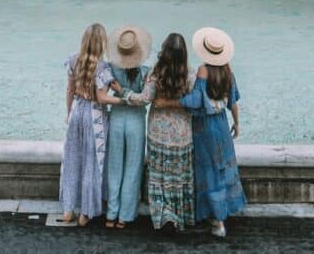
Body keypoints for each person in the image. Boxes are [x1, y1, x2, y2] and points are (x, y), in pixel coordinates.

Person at [155, 27, 246, 239]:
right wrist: (237, 124)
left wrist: (167, 102)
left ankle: (216, 221)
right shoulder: (228, 72)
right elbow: (233, 101)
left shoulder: (203, 71)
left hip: (205, 128)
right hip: (222, 125)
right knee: (222, 168)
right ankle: (221, 214)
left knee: (208, 172)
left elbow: (195, 101)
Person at [123, 33, 196, 232]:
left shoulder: (156, 72)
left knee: (160, 178)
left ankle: (164, 216)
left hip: (157, 134)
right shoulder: (190, 74)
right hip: (182, 135)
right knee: (178, 178)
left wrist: (124, 93)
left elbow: (144, 99)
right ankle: (179, 215)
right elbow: (195, 104)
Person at [60, 23, 122, 226]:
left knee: (72, 161)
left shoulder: (72, 60)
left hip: (77, 111)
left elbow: (69, 90)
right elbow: (102, 98)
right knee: (91, 164)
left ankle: (68, 209)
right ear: (101, 43)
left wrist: (68, 114)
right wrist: (124, 100)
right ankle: (85, 213)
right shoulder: (103, 67)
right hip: (95, 116)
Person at [105, 25, 152, 228]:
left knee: (115, 166)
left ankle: (111, 214)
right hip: (136, 121)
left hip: (116, 118)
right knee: (133, 168)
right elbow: (145, 100)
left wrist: (120, 91)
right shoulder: (146, 72)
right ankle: (124, 216)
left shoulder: (111, 69)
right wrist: (128, 93)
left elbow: (104, 94)